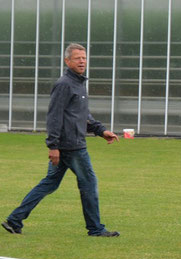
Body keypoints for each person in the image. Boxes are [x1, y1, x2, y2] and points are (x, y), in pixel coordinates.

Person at [2, 43, 120, 237]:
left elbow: (82, 116)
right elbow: (54, 116)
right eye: (77, 58)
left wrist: (101, 130)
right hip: (71, 146)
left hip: (69, 145)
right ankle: (96, 229)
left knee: (49, 183)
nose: (82, 61)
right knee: (89, 183)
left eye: (84, 58)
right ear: (67, 61)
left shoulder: (79, 83)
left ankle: (15, 220)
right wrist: (53, 146)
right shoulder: (64, 84)